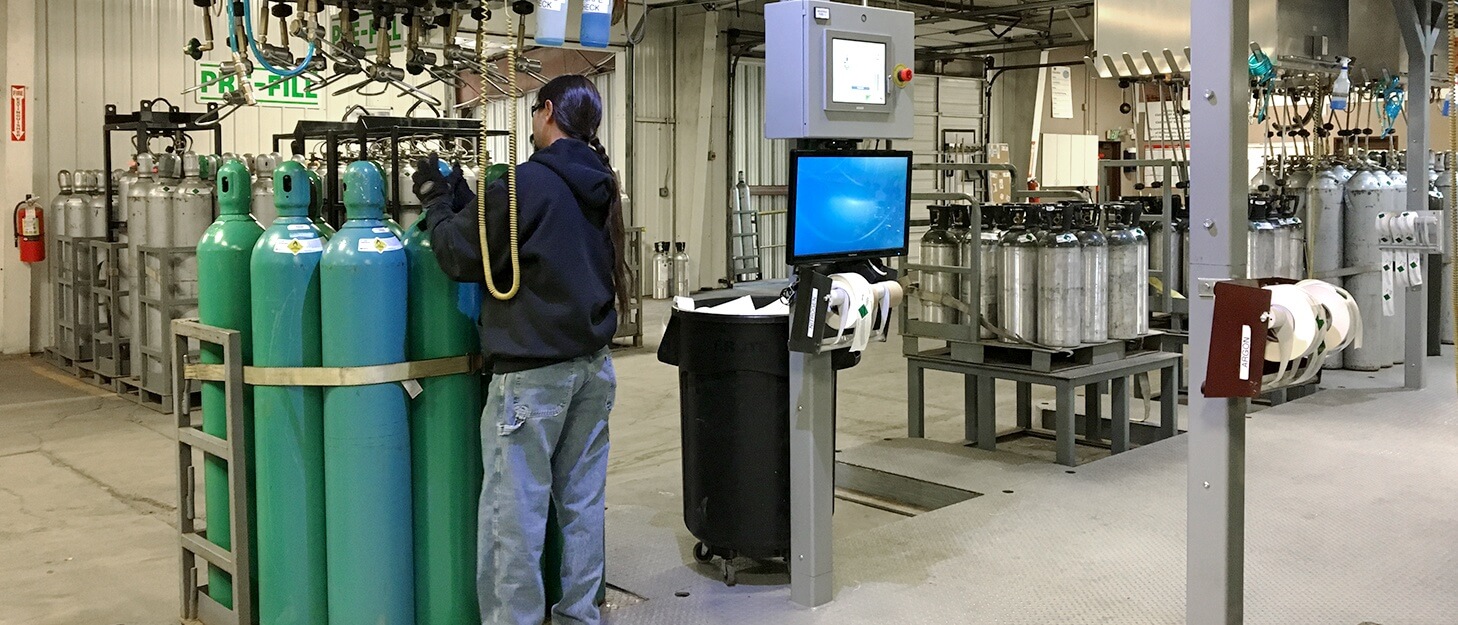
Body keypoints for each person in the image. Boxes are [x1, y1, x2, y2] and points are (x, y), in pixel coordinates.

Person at [415, 74, 628, 625]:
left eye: (535, 112)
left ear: (547, 111)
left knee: (515, 519)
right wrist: (468, 196)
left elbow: (461, 254)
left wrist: (437, 202)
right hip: (592, 370)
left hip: (531, 380)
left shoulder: (527, 181)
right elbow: (521, 234)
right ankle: (581, 616)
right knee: (581, 508)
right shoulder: (599, 180)